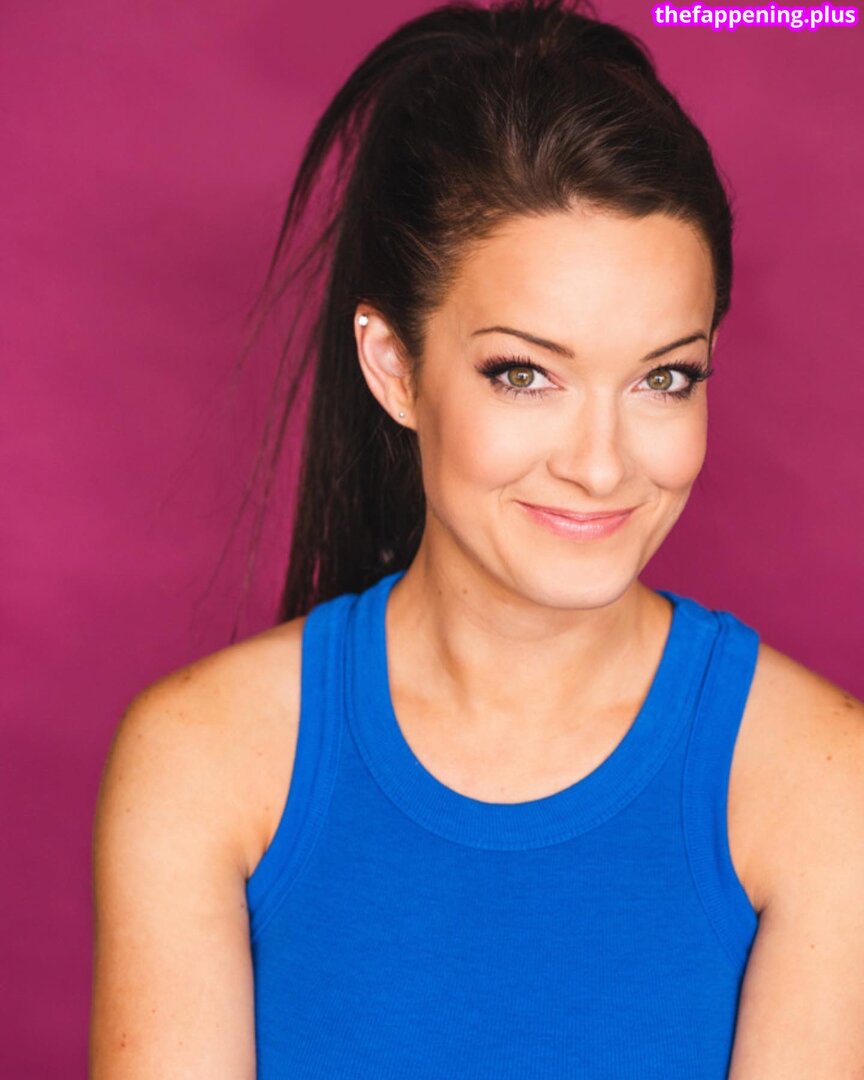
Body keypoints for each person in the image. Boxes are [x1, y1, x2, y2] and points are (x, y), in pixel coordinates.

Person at [89, 0, 864, 1076]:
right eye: (524, 374)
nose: (602, 465)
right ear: (393, 366)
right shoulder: (203, 762)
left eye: (664, 378)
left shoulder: (822, 783)